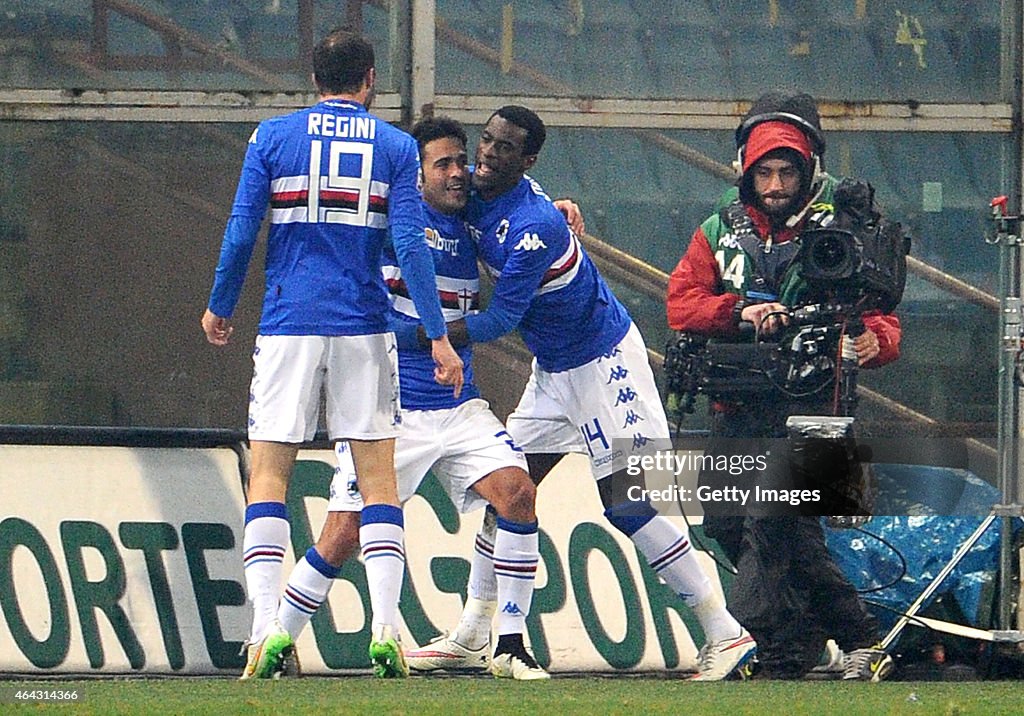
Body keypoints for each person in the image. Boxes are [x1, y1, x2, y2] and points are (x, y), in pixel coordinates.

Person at [408, 105, 756, 681]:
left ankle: (725, 632)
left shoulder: (532, 226)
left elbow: (498, 321)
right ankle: (472, 634)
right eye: (486, 142)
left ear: (528, 161)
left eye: (504, 148)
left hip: (603, 364)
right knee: (508, 488)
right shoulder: (479, 189)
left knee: (628, 504)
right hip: (554, 374)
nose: (488, 155)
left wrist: (428, 338)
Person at [273, 117, 580, 680]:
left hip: (459, 406)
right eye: (444, 163)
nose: (460, 172)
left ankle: (508, 644)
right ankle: (274, 636)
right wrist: (426, 340)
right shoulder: (387, 228)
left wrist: (555, 209)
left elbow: (520, 211)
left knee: (516, 495)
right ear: (415, 176)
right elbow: (362, 310)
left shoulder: (471, 224)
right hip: (392, 406)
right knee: (342, 534)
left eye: (461, 161)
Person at [200, 29, 463, 680]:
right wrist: (436, 333)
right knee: (379, 484)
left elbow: (241, 232)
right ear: (370, 80)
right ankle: (385, 629)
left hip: (289, 322)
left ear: (314, 78)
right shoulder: (398, 146)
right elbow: (409, 242)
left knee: (269, 478)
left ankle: (264, 631)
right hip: (364, 327)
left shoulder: (272, 138)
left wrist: (221, 304)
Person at [665, 91, 901, 681]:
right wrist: (739, 311)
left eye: (786, 171)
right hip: (735, 396)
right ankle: (822, 642)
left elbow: (883, 318)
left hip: (821, 400)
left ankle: (771, 645)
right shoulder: (719, 226)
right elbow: (680, 303)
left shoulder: (847, 226)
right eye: (763, 171)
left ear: (808, 168)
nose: (774, 184)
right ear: (746, 168)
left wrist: (877, 343)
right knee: (726, 523)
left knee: (774, 526)